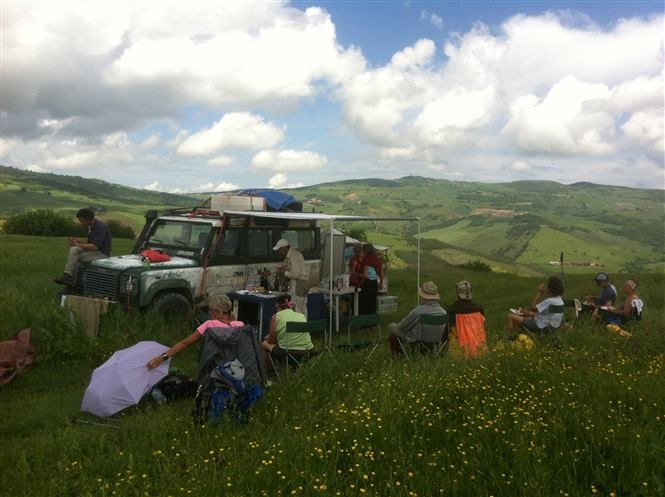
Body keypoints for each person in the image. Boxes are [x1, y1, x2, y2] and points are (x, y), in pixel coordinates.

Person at [147, 294, 243, 369]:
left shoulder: (209, 325)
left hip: (214, 368)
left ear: (217, 311)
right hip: (235, 367)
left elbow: (184, 344)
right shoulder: (240, 326)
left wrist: (162, 358)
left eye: (210, 310)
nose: (209, 312)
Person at [54, 208, 112, 286]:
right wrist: (78, 241)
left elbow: (94, 246)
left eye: (82, 221)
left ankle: (75, 284)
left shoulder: (101, 227)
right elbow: (89, 243)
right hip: (94, 250)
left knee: (79, 258)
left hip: (102, 253)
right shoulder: (91, 226)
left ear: (88, 219)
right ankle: (67, 276)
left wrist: (77, 244)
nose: (81, 223)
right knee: (74, 249)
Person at [388, 281, 447, 356]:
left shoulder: (418, 311)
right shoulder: (444, 312)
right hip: (434, 344)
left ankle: (399, 355)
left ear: (422, 296)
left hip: (417, 344)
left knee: (392, 326)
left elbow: (402, 327)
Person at [261, 295, 313, 369]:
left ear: (277, 306)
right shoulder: (301, 316)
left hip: (288, 353)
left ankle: (271, 371)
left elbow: (271, 341)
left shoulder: (276, 317)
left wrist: (268, 337)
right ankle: (293, 367)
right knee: (285, 341)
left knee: (264, 344)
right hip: (307, 351)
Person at [273, 238, 309, 319]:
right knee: (302, 308)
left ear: (284, 248)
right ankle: (305, 329)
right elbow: (283, 265)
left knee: (298, 309)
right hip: (301, 283)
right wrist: (272, 272)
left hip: (299, 284)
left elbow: (296, 274)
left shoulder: (294, 256)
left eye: (280, 250)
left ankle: (299, 330)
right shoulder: (291, 254)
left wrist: (284, 273)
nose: (279, 252)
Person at [357, 243, 383, 315]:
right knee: (372, 303)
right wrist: (381, 284)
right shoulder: (376, 258)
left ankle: (364, 324)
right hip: (374, 283)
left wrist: (354, 273)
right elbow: (381, 273)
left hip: (367, 283)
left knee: (364, 304)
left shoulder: (366, 259)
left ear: (365, 251)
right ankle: (372, 323)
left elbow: (365, 275)